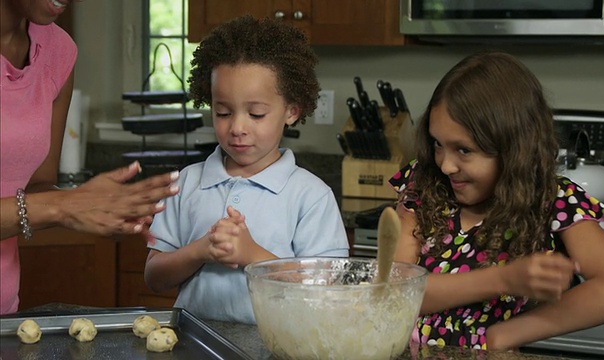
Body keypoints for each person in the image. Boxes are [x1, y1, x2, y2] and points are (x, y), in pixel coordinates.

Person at [389, 51, 604, 351]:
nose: (446, 165)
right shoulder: (423, 183)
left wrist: (511, 332)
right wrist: (505, 279)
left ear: (513, 150)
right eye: (438, 144)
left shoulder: (552, 201)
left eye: (464, 150)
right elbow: (396, 294)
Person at [143, 15, 349, 324]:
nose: (237, 127)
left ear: (291, 111)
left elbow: (329, 290)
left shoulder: (311, 196)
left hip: (278, 348)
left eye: (256, 113)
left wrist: (253, 256)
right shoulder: (187, 182)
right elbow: (154, 278)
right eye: (223, 112)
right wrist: (201, 250)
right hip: (194, 343)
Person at [1, 0, 180, 315]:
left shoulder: (57, 51)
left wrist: (95, 208)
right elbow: (47, 206)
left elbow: (39, 186)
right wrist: (64, 206)